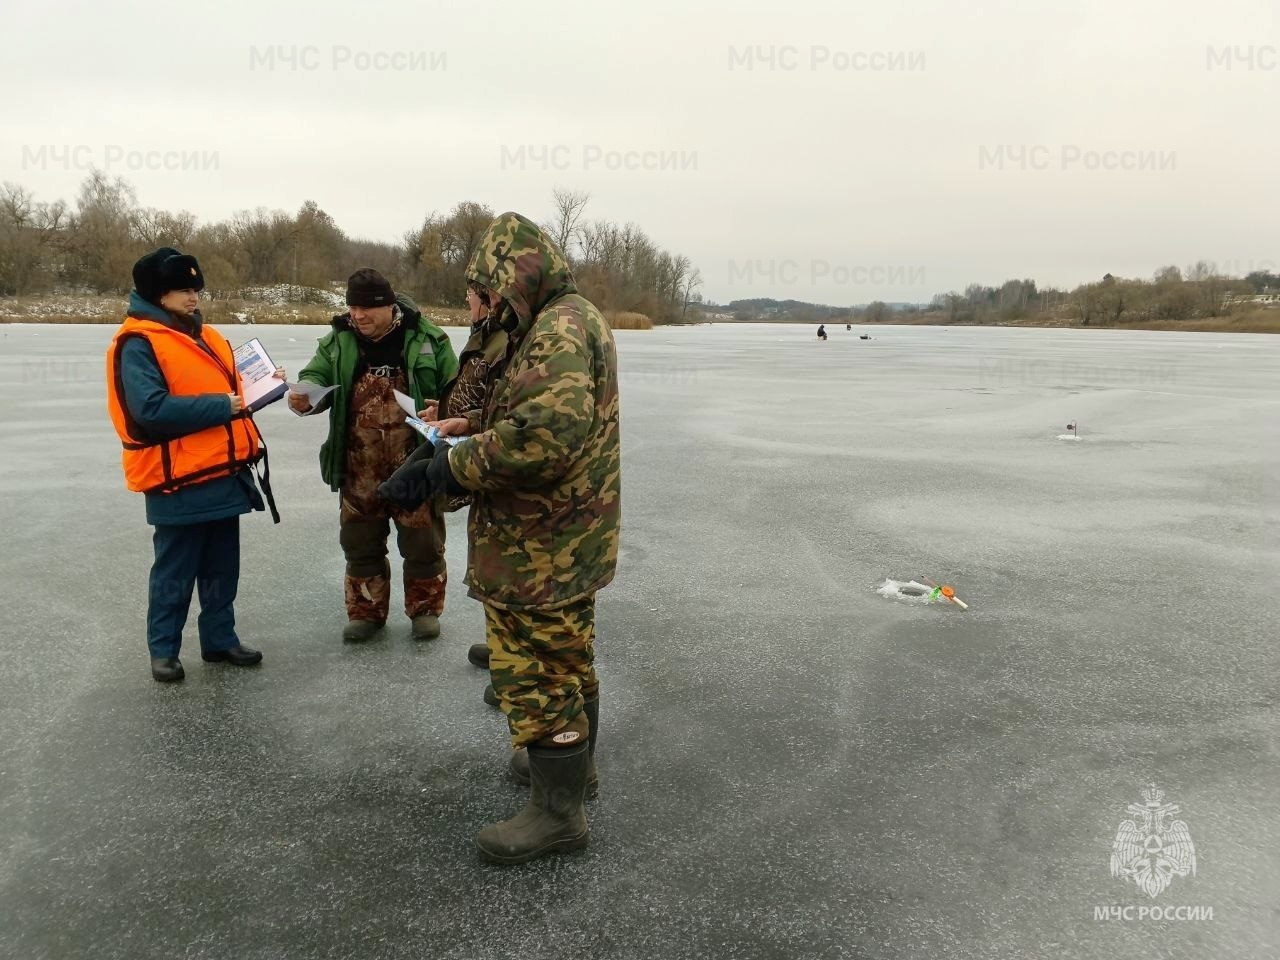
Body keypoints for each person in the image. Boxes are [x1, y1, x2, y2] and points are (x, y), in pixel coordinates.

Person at [380, 212, 620, 864]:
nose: (483, 302)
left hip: (540, 544)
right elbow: (529, 411)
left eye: (488, 287)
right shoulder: (561, 321)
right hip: (562, 536)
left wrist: (445, 466)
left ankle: (557, 813)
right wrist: (470, 420)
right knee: (569, 661)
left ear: (513, 279)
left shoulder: (559, 330)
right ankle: (575, 773)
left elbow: (542, 439)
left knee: (537, 674)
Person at [105, 247, 279, 682]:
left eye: (196, 289)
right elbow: (149, 409)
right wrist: (221, 406)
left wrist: (262, 386)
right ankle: (163, 650)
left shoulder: (209, 336)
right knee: (175, 571)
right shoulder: (138, 343)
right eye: (184, 290)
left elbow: (234, 391)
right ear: (157, 294)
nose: (193, 297)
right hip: (176, 478)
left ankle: (219, 639)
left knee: (223, 565)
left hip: (222, 470)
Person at [288, 269, 458, 643]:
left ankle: (425, 611)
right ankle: (366, 612)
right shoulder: (338, 340)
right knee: (360, 543)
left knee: (423, 543)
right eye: (352, 307)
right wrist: (305, 395)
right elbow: (315, 376)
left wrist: (445, 408)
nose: (358, 316)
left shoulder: (429, 339)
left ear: (388, 306)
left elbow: (458, 390)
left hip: (416, 460)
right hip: (358, 464)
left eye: (367, 308)